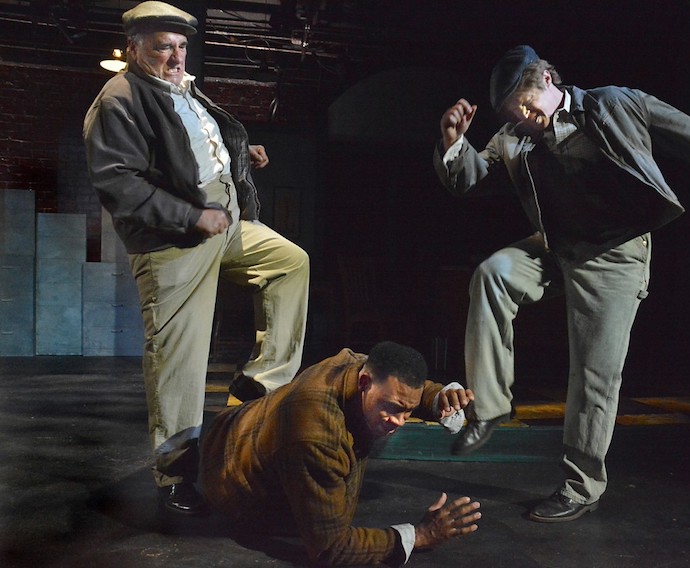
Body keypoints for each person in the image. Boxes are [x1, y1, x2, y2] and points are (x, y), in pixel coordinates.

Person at [433, 45, 690, 523]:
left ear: (549, 79)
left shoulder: (615, 103)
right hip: (554, 248)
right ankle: (492, 407)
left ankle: (581, 487)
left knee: (594, 374)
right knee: (493, 273)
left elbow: (687, 132)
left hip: (613, 256)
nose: (522, 113)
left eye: (526, 100)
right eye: (512, 108)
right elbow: (468, 180)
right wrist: (454, 143)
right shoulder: (513, 135)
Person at [83, 1, 310, 515]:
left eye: (182, 46)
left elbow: (193, 147)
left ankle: (258, 386)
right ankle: (175, 474)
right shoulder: (119, 100)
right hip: (174, 242)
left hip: (224, 223)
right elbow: (120, 184)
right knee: (179, 360)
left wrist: (240, 156)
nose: (176, 56)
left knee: (290, 262)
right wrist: (191, 217)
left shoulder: (179, 85)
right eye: (164, 46)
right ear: (135, 48)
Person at [200, 341, 481, 566]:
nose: (400, 421)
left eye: (409, 411)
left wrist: (438, 397)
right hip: (230, 484)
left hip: (234, 427)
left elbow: (402, 388)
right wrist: (420, 535)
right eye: (394, 408)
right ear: (363, 384)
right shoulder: (317, 437)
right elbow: (330, 549)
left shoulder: (354, 363)